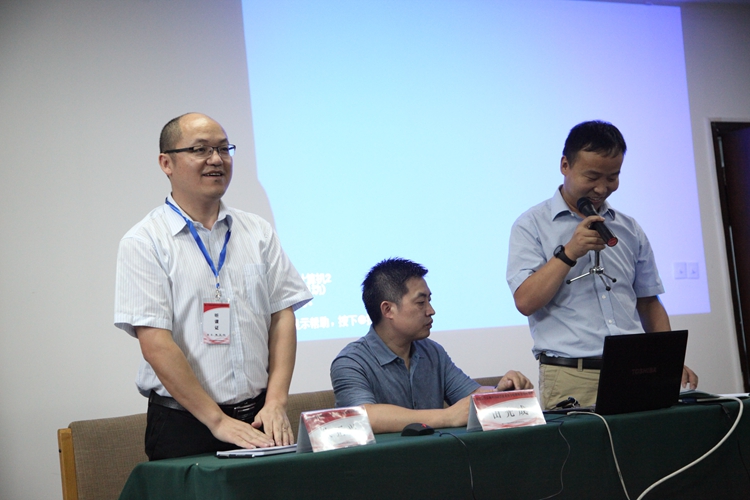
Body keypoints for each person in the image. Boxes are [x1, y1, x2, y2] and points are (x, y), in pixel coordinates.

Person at [114, 112, 312, 460]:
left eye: (223, 149)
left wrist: (276, 401)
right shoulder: (144, 241)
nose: (217, 159)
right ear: (166, 163)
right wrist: (217, 421)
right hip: (185, 424)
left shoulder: (257, 231)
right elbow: (155, 343)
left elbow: (282, 316)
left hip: (259, 417)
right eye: (200, 149)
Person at [506, 120, 698, 410]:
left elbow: (648, 302)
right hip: (572, 375)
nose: (601, 188)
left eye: (613, 177)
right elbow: (525, 301)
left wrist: (668, 360)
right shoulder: (531, 225)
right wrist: (569, 252)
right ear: (565, 165)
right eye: (592, 176)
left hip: (636, 371)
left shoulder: (629, 228)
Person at [331, 258, 532, 433]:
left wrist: (502, 392)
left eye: (429, 300)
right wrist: (447, 417)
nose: (431, 310)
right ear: (388, 309)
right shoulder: (351, 362)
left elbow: (470, 397)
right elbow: (364, 416)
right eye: (421, 303)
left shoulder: (432, 351)